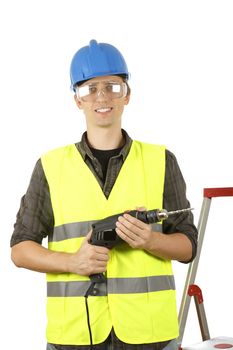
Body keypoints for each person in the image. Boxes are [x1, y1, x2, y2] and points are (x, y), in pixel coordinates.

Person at [10, 39, 198, 350]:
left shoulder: (161, 161)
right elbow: (20, 249)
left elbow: (188, 246)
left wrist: (151, 240)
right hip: (74, 337)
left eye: (112, 86)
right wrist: (73, 262)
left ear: (127, 95)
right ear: (77, 100)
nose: (102, 96)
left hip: (149, 336)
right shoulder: (50, 166)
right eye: (89, 88)